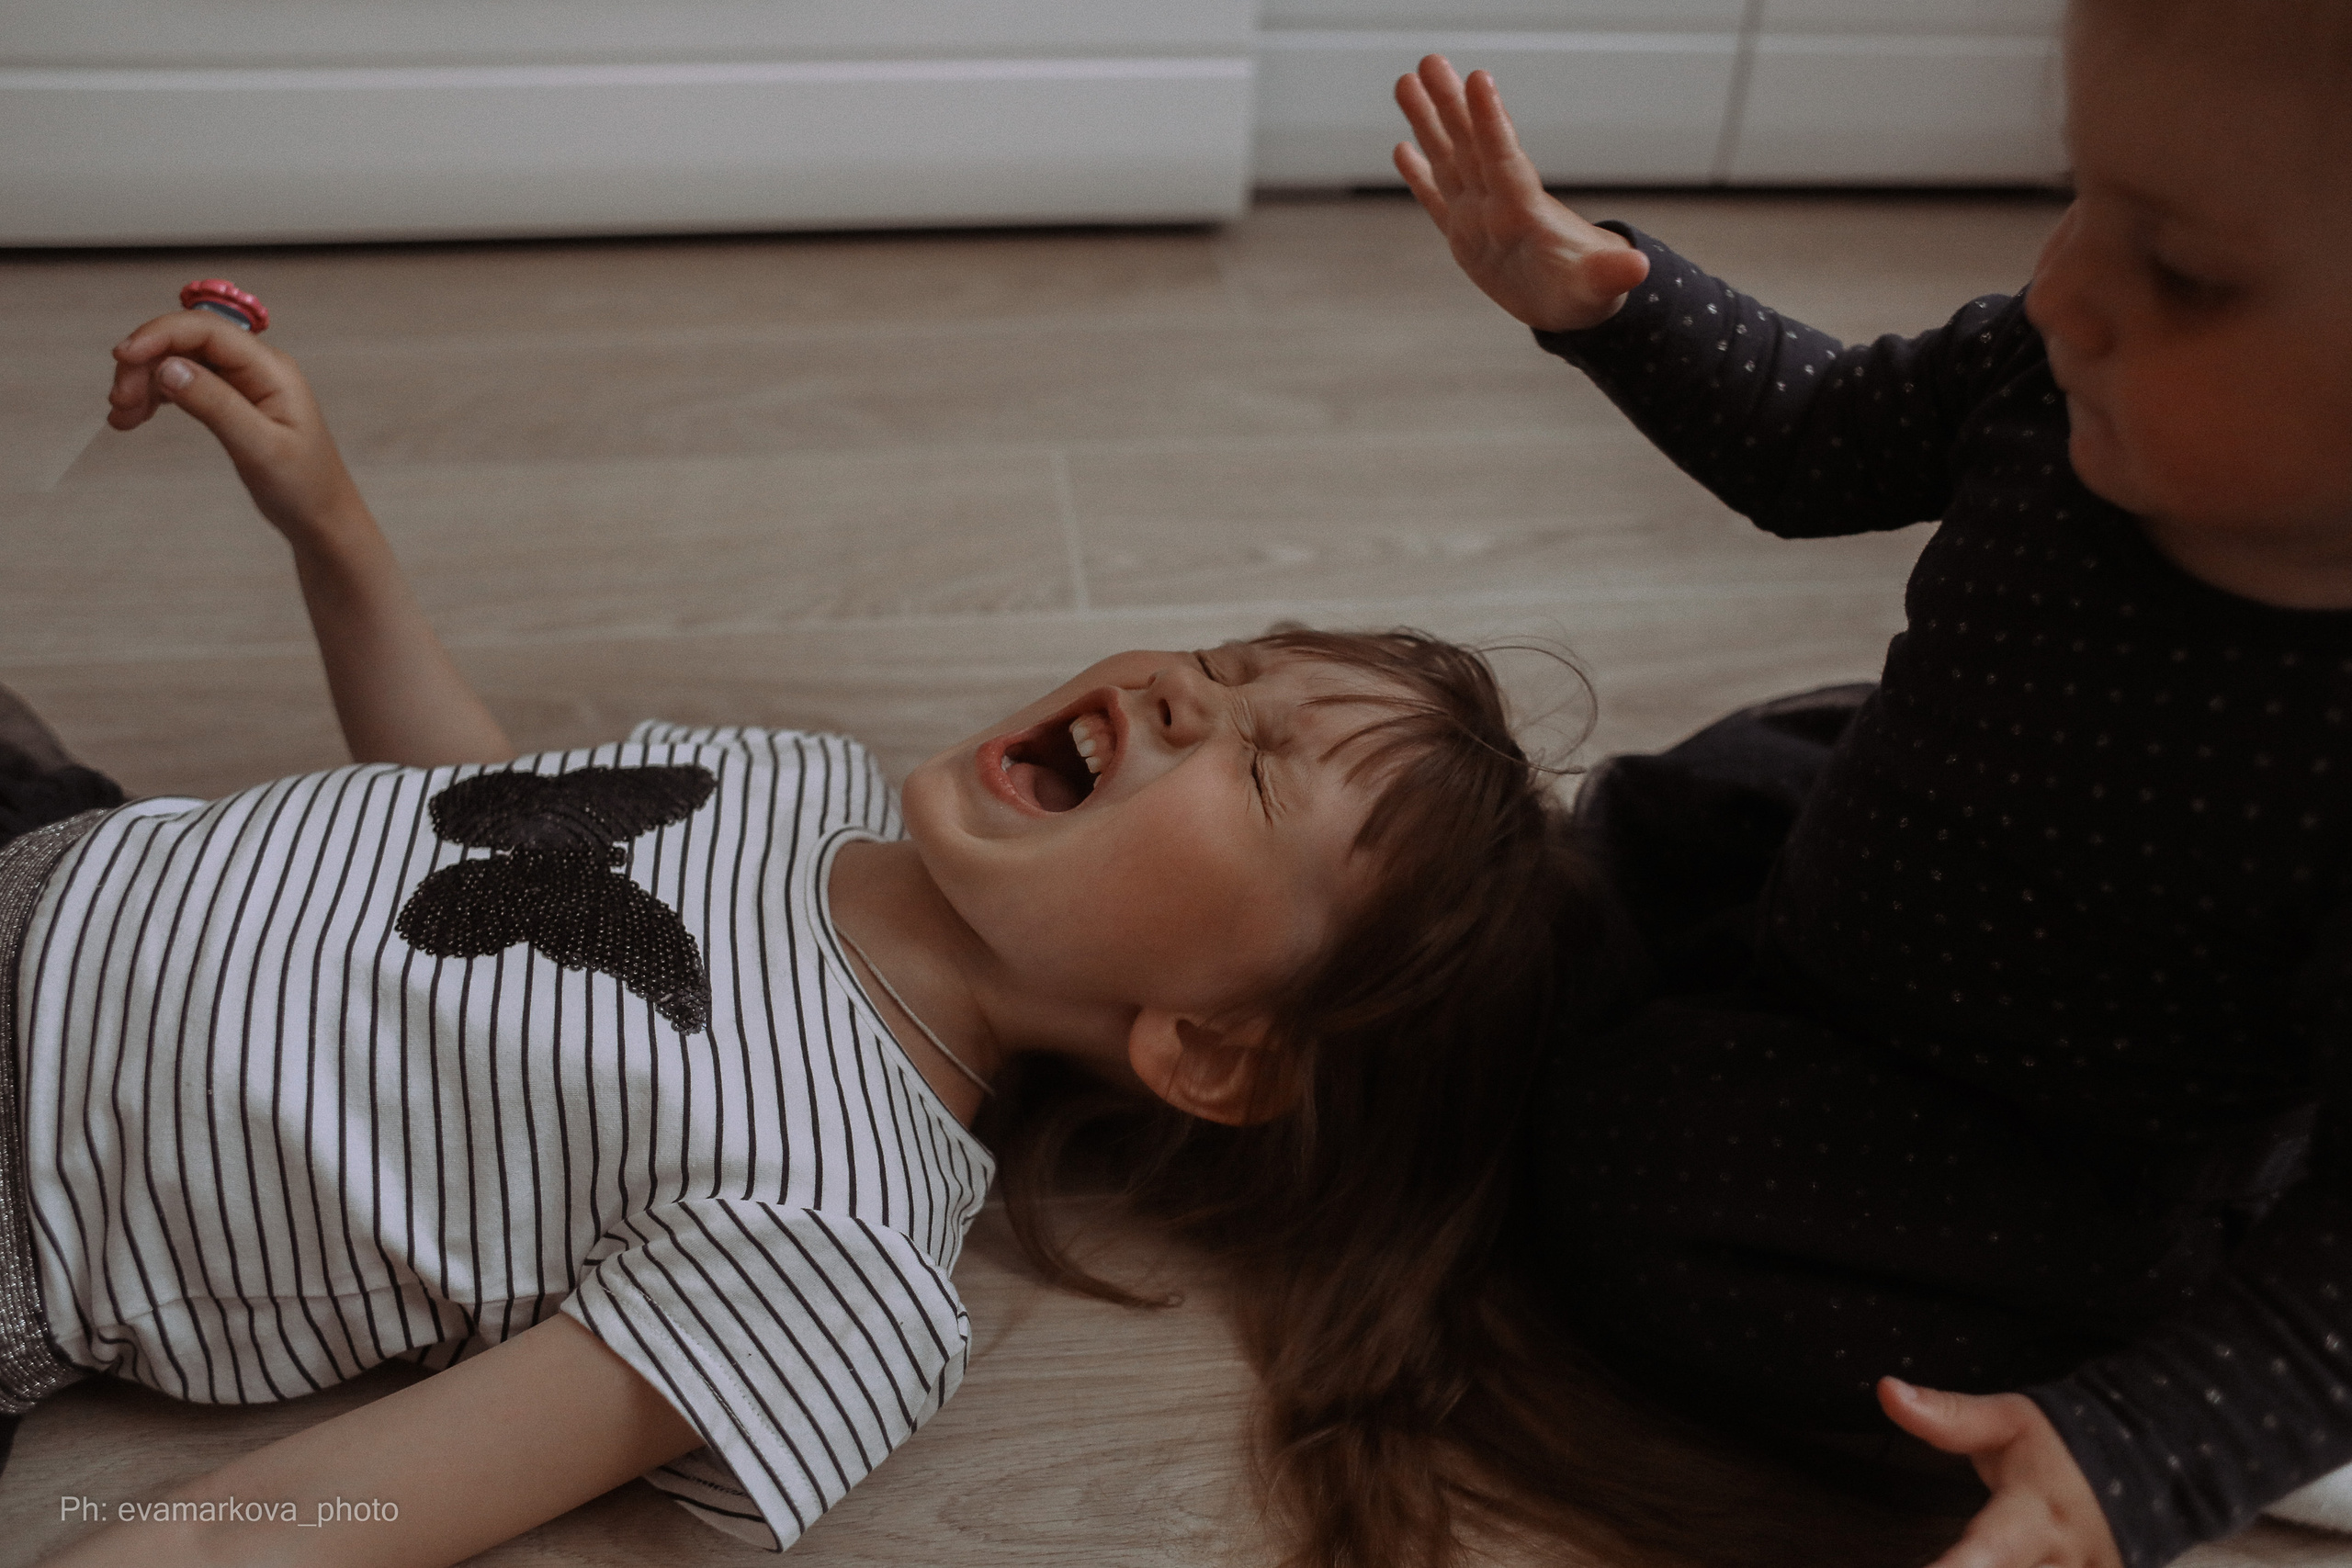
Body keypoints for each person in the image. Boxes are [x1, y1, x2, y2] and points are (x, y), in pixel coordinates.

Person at [1, 298, 1598, 1567]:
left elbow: (320, 1513)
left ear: (1210, 1047)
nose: (1192, 684)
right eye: (1233, 659)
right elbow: (481, 816)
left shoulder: (844, 1250)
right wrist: (330, 521)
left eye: (1257, 768)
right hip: (61, 848)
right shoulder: (806, 781)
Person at [1390, 0, 2352, 1562]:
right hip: (1883, 872)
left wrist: (2150, 1447)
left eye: (2181, 268)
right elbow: (1821, 436)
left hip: (2071, 1145)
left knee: (1635, 1205)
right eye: (2080, 193)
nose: (2062, 286)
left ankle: (2236, 1391)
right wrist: (1612, 305)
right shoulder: (2051, 373)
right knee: (1650, 824)